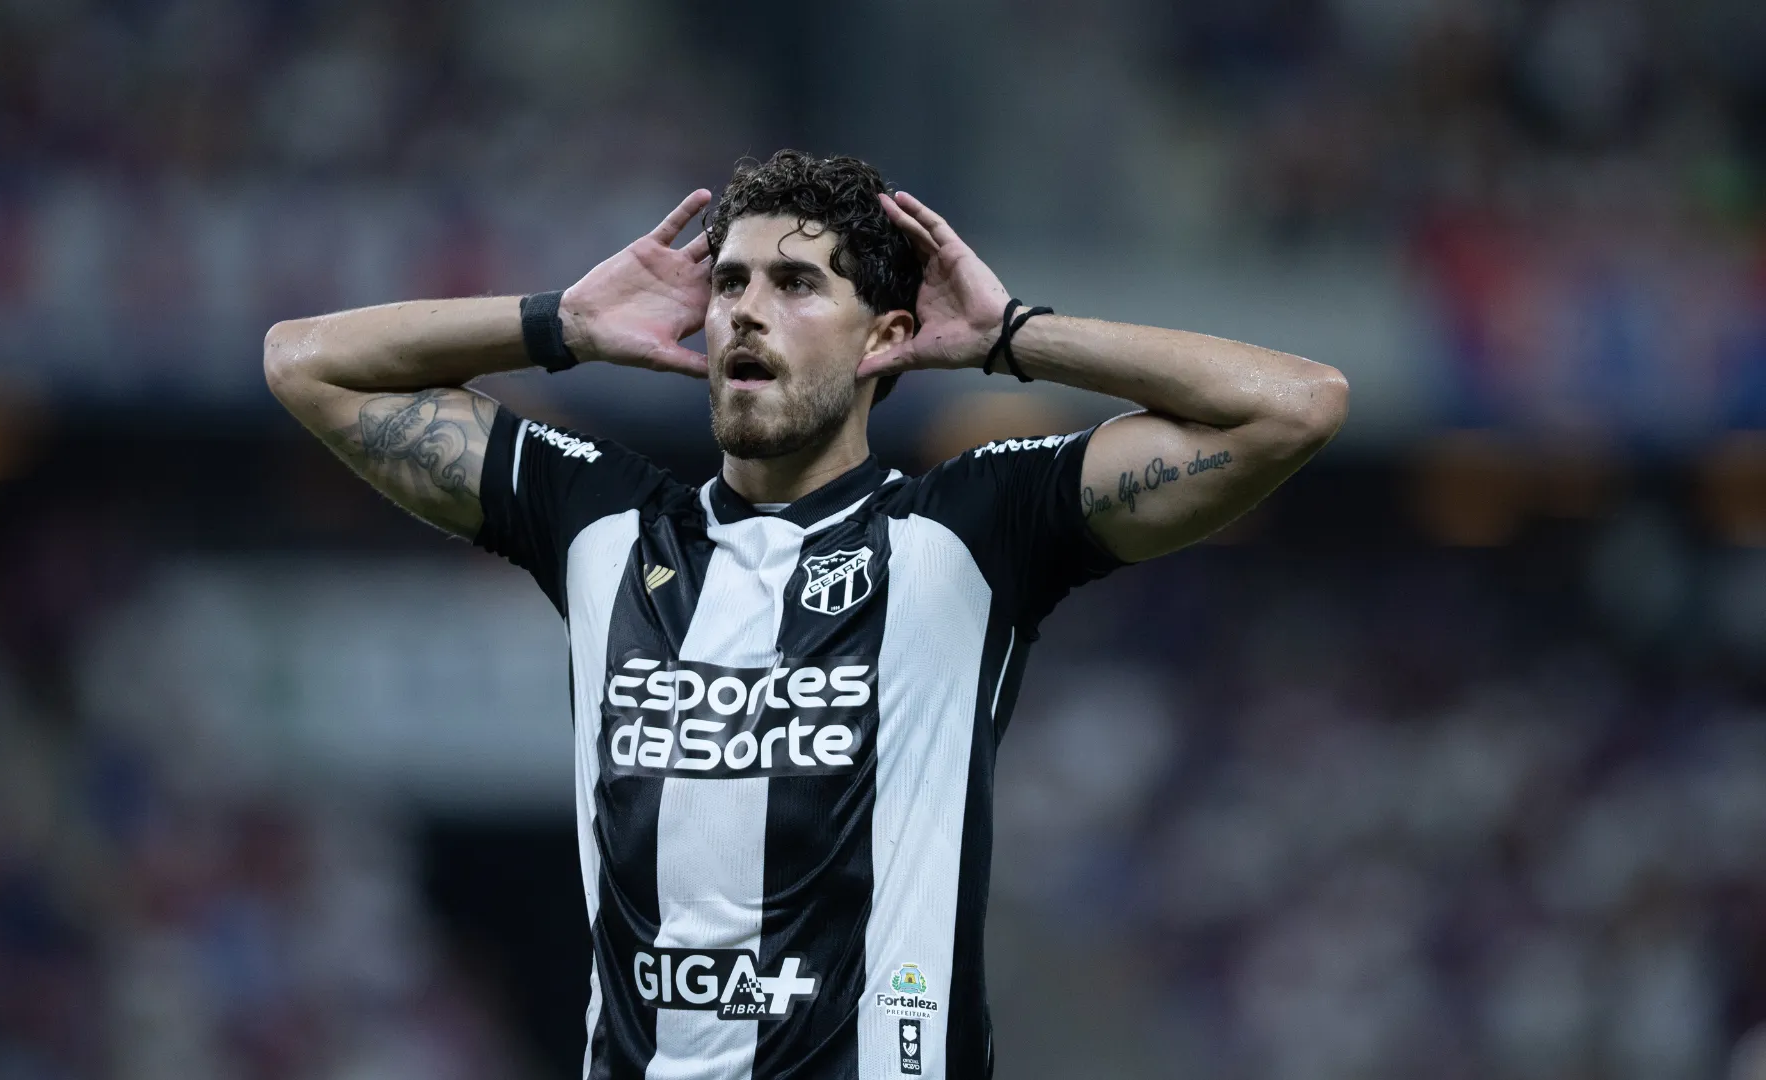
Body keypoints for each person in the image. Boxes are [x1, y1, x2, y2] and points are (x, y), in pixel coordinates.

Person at [264, 150, 1347, 1079]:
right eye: (729, 281)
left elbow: (1296, 406)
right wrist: (566, 323)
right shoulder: (603, 521)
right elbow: (305, 364)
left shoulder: (968, 530)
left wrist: (1012, 335)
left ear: (882, 338)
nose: (744, 307)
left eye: (794, 284)